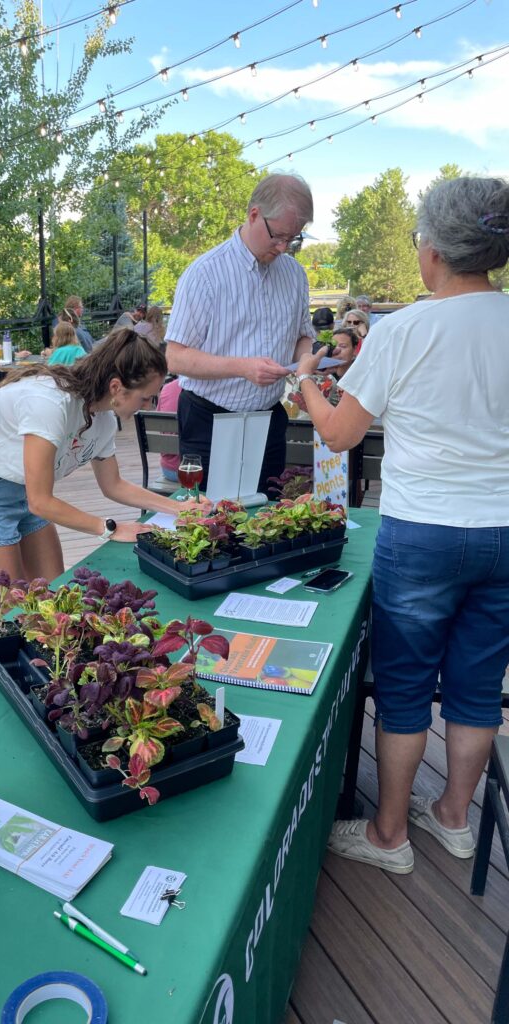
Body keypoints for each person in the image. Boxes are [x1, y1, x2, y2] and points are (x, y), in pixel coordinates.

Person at [292, 175, 509, 875]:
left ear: (436, 252)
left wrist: (304, 380)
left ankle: (389, 836)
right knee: (479, 686)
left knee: (407, 685)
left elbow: (338, 435)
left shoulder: (405, 329)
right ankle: (453, 818)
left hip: (423, 534)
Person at [0, 328, 208, 599]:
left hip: (24, 489)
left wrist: (179, 509)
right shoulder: (50, 403)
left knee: (54, 597)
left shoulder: (102, 418)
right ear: (116, 387)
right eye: (146, 397)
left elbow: (113, 484)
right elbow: (41, 501)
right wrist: (109, 528)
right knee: (18, 612)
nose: (150, 406)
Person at [166, 173, 316, 494]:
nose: (283, 247)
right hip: (209, 420)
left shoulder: (295, 274)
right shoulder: (204, 273)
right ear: (254, 215)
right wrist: (242, 367)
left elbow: (304, 336)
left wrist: (305, 367)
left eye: (294, 238)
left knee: (267, 522)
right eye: (278, 236)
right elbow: (175, 358)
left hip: (268, 420)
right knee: (207, 525)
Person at [156, 376, 181, 481]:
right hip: (195, 471)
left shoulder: (166, 388)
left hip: (169, 470)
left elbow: (158, 423)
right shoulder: (208, 392)